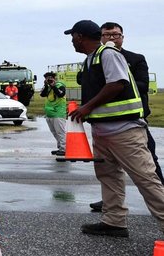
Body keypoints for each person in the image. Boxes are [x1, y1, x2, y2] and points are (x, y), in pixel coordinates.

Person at [65, 20, 164, 237]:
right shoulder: (90, 60)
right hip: (103, 132)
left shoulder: (107, 54)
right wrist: (85, 112)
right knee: (108, 176)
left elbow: (117, 83)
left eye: (73, 36)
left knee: (146, 179)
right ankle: (114, 221)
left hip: (125, 131)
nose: (71, 40)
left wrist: (87, 108)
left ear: (80, 36)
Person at [90, 21, 162, 214]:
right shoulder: (96, 58)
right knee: (109, 171)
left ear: (123, 37)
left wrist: (118, 83)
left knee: (147, 169)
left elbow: (142, 84)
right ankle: (111, 209)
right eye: (107, 35)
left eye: (116, 35)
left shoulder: (135, 58)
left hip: (130, 121)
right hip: (105, 124)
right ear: (101, 37)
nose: (112, 38)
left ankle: (160, 199)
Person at [39, 72, 67, 156]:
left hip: (58, 112)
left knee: (60, 132)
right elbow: (42, 94)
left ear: (55, 78)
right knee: (54, 132)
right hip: (49, 112)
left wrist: (53, 86)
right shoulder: (47, 87)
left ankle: (64, 148)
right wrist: (46, 85)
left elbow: (60, 94)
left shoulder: (60, 85)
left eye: (50, 78)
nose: (49, 79)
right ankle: (60, 147)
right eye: (47, 78)